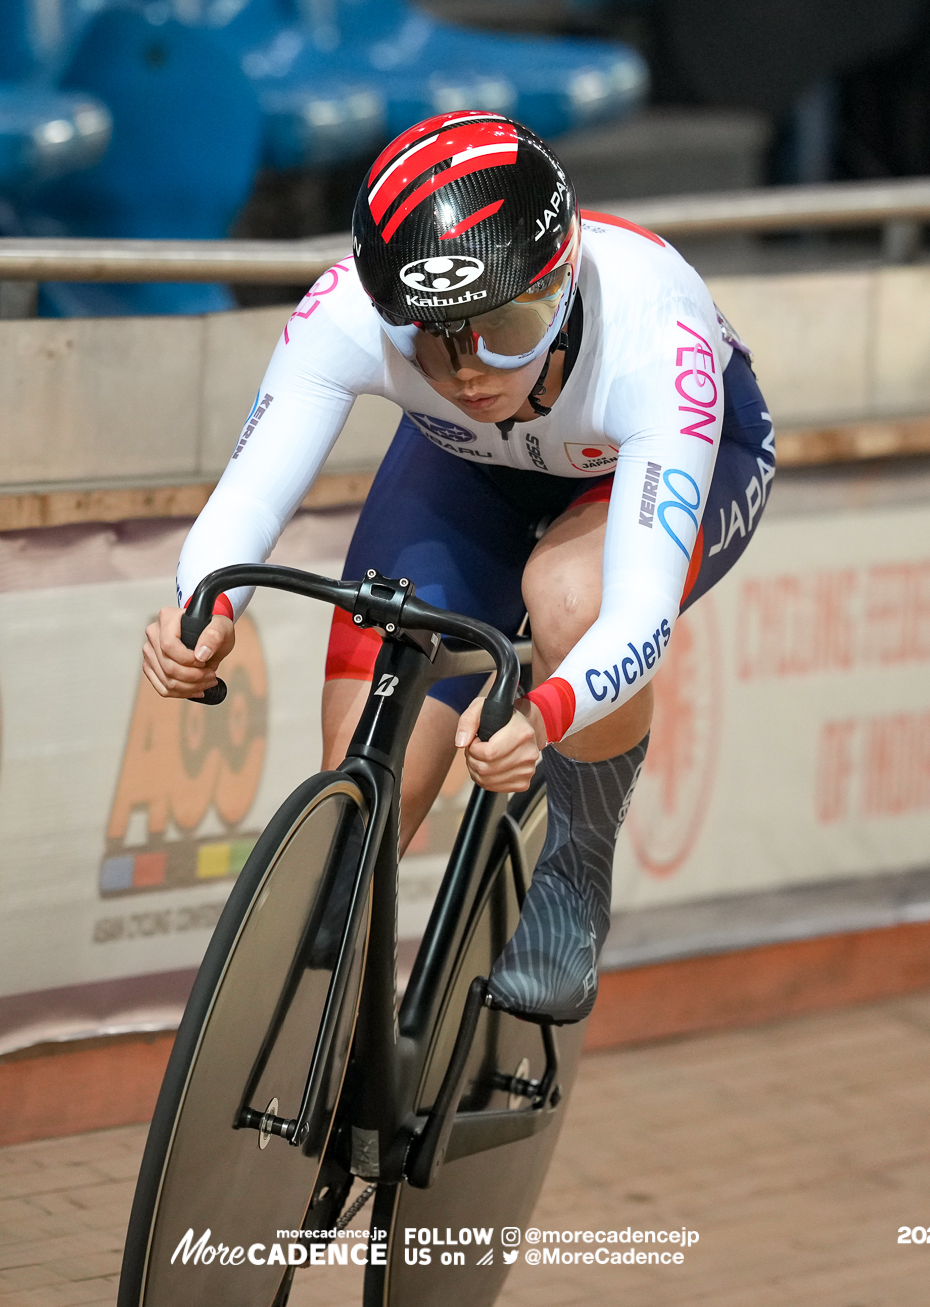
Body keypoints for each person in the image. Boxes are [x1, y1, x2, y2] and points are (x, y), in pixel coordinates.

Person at [143, 110, 774, 1024]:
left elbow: (635, 618)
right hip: (474, 471)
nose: (471, 373)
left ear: (558, 289)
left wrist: (550, 709)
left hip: (665, 469)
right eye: (430, 337)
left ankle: (575, 870)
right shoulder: (350, 309)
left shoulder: (654, 337)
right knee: (356, 824)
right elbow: (245, 501)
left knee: (568, 597)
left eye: (506, 328)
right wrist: (204, 606)